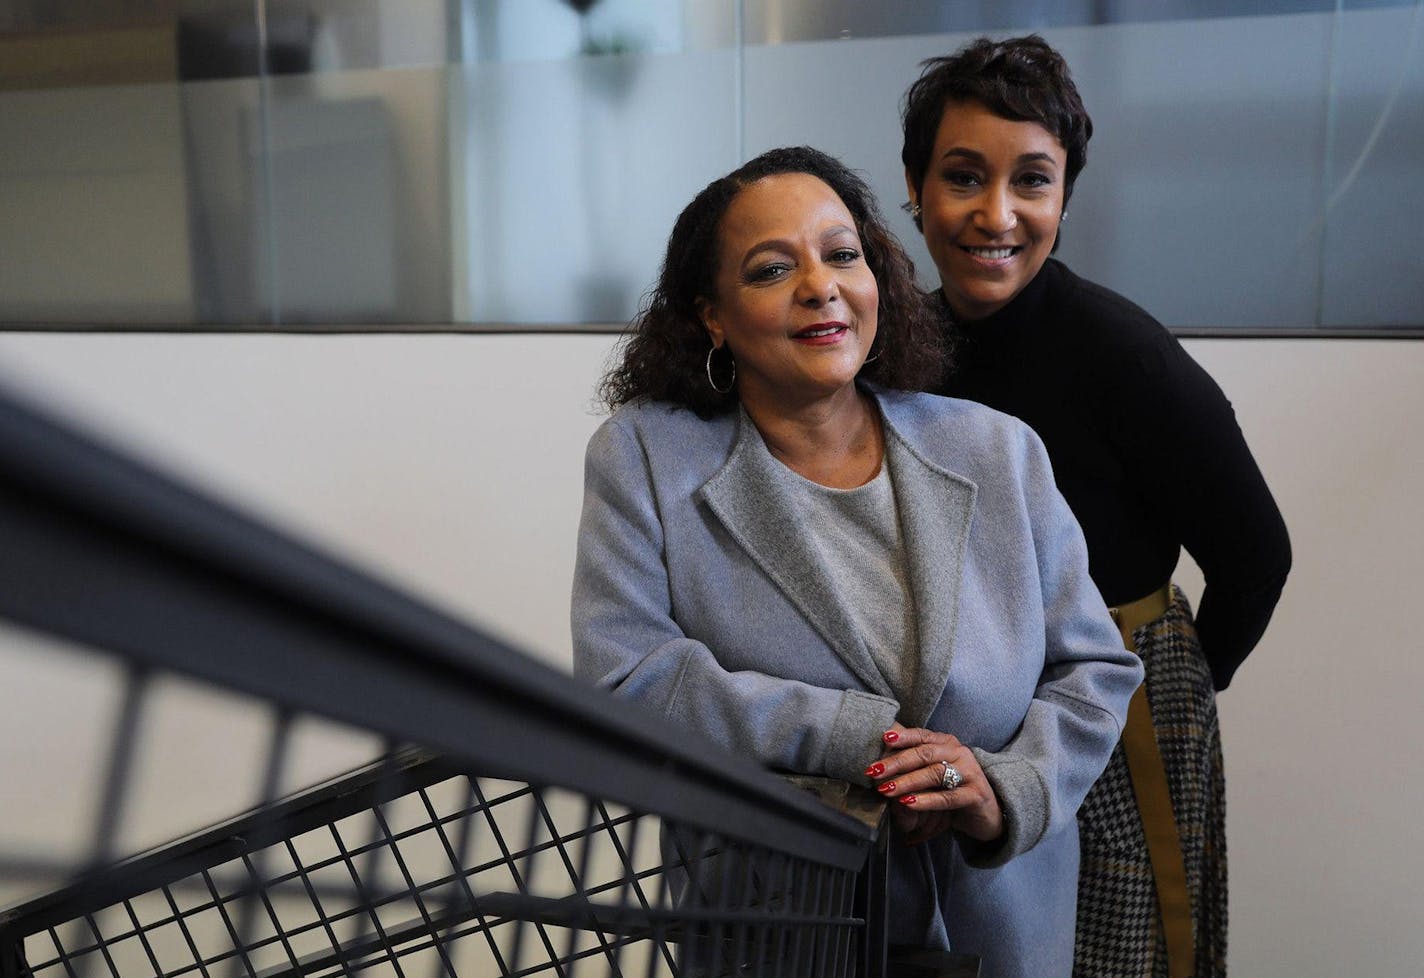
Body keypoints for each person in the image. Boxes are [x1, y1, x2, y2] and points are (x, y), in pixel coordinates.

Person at [571, 145, 1143, 978]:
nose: (821, 285)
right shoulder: (647, 458)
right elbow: (626, 680)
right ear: (713, 316)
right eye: (772, 269)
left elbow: (1092, 667)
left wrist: (1004, 790)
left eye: (843, 255)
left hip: (999, 925)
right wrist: (851, 738)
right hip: (777, 932)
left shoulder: (996, 448)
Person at [899, 35, 1292, 978]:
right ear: (914, 188)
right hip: (972, 704)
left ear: (1065, 194)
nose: (997, 215)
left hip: (1122, 699)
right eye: (964, 176)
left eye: (1032, 181)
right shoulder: (898, 343)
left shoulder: (1124, 353)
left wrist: (1170, 686)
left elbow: (1256, 556)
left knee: (1129, 953)